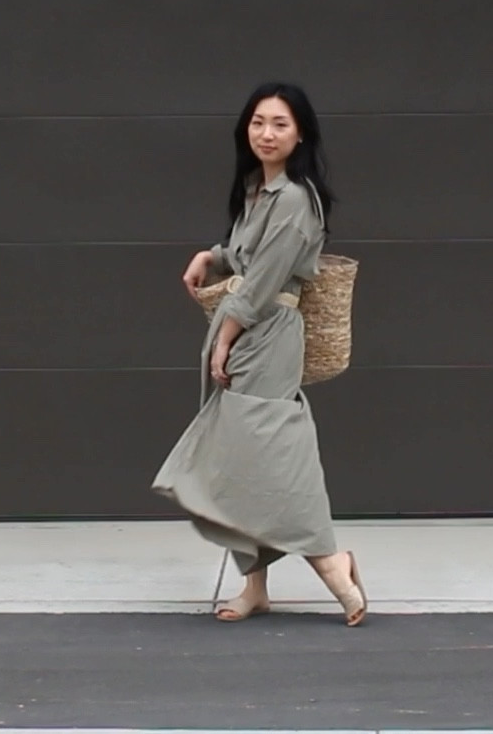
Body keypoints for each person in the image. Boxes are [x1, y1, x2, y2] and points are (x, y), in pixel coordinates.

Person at [151, 82, 366, 626]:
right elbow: (248, 255)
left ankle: (329, 561)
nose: (266, 134)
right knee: (240, 463)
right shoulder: (257, 190)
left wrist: (225, 337)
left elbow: (266, 277)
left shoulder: (296, 199)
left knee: (273, 454)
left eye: (280, 124)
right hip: (248, 330)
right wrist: (214, 254)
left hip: (265, 336)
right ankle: (256, 586)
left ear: (300, 136)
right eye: (258, 122)